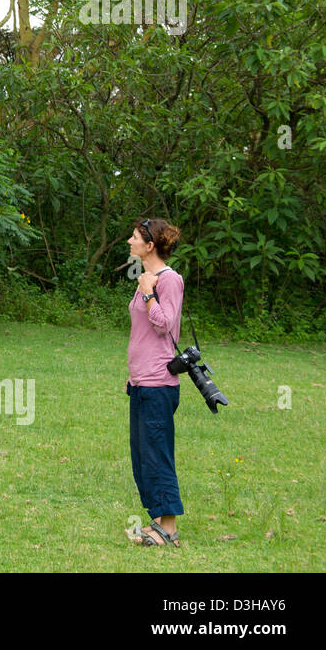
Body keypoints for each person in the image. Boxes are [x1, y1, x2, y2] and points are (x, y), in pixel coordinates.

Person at [125, 217, 185, 547]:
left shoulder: (169, 280)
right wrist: (133, 374)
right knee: (142, 455)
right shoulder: (146, 278)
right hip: (141, 382)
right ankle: (157, 521)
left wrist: (149, 294)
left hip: (159, 383)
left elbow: (165, 326)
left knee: (157, 453)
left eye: (134, 238)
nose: (129, 242)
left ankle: (170, 529)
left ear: (150, 246)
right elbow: (144, 334)